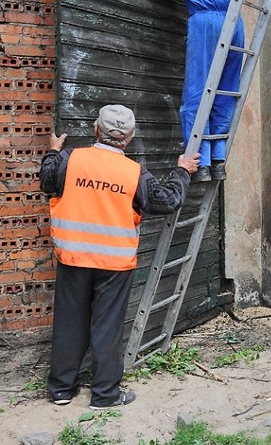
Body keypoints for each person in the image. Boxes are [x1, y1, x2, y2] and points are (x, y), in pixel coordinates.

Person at [40, 104, 200, 410]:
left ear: (95, 129)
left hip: (73, 257)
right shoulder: (133, 172)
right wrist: (182, 170)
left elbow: (47, 182)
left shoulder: (70, 159)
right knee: (106, 326)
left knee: (69, 323)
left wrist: (53, 151)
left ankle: (61, 390)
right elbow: (168, 200)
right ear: (129, 138)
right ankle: (104, 395)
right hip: (114, 264)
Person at [156, 0, 244, 183]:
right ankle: (218, 160)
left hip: (205, 22)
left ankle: (201, 163)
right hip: (234, 23)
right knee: (225, 91)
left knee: (197, 91)